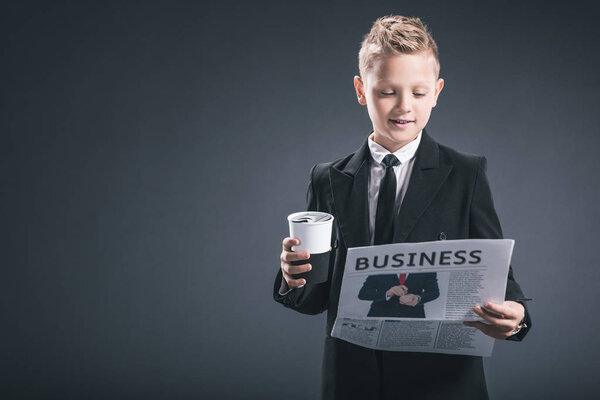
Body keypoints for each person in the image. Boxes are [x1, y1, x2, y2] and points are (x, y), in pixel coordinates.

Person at [273, 15, 531, 400]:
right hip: (353, 379)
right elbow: (314, 298)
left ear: (438, 92)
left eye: (419, 92)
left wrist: (517, 317)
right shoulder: (328, 178)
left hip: (443, 383)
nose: (404, 106)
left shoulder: (465, 173)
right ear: (362, 90)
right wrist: (294, 277)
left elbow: (496, 271)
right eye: (388, 91)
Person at [358, 272, 439, 318]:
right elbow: (363, 294)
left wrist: (417, 298)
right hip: (380, 315)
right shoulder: (379, 266)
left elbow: (434, 291)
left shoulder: (426, 268)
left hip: (412, 316)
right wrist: (387, 293)